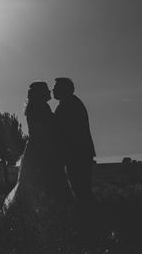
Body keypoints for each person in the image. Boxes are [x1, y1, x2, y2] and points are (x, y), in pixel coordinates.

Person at [3, 81, 72, 213]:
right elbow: (49, 128)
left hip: (35, 149)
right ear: (41, 93)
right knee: (50, 180)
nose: (49, 92)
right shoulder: (41, 107)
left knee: (32, 183)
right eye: (46, 90)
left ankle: (27, 211)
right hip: (41, 151)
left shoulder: (34, 107)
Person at [52, 77, 96, 208]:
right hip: (79, 153)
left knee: (80, 189)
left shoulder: (68, 105)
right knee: (81, 189)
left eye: (56, 87)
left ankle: (88, 218)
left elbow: (63, 130)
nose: (53, 90)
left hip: (77, 154)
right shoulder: (71, 103)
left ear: (64, 89)